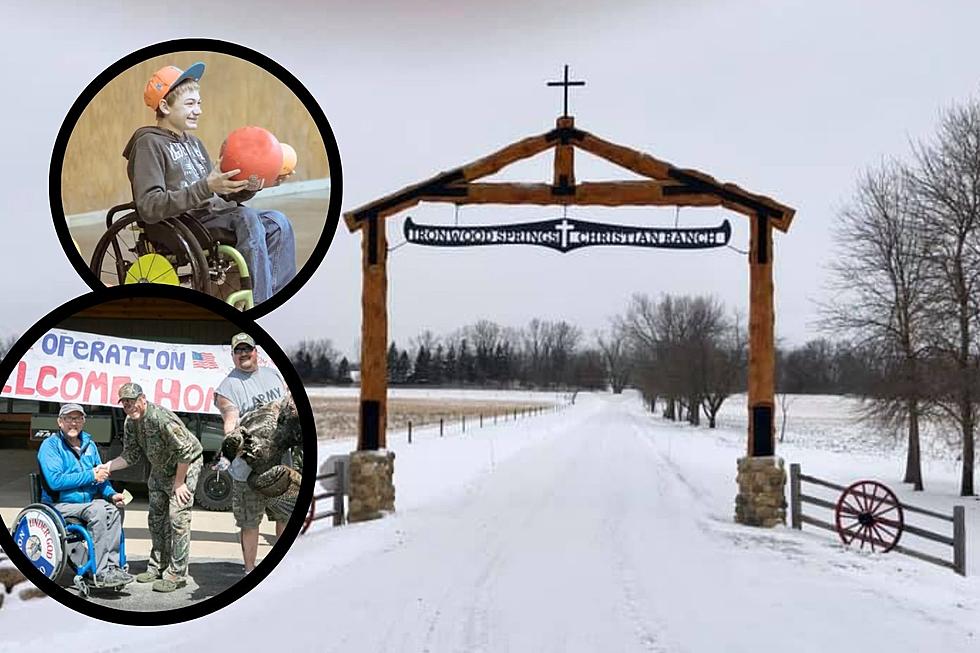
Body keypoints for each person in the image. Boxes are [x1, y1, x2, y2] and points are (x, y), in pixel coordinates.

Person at [122, 62, 296, 304]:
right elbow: (150, 207)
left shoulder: (195, 144)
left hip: (212, 217)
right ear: (165, 106)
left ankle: (274, 299)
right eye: (190, 104)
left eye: (199, 103)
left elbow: (222, 193)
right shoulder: (148, 144)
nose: (198, 110)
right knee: (246, 219)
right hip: (181, 225)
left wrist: (252, 186)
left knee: (279, 222)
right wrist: (206, 187)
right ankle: (260, 302)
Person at [99, 383, 203, 593]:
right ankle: (158, 565)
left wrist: (179, 482)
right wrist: (107, 467)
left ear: (143, 399)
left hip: (185, 466)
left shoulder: (160, 418)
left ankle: (177, 573)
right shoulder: (131, 423)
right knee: (156, 518)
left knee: (177, 518)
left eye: (133, 402)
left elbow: (185, 451)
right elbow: (131, 455)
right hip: (160, 469)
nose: (130, 407)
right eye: (125, 404)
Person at [214, 333, 295, 574]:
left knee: (285, 516)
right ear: (233, 356)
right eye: (238, 351)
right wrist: (233, 438)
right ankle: (250, 570)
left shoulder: (273, 376)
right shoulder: (227, 387)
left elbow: (288, 406)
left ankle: (283, 568)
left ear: (255, 351)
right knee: (250, 523)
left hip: (280, 465)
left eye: (247, 349)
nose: (243, 354)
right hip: (248, 468)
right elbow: (229, 417)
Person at [36, 403, 133, 588]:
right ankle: (100, 571)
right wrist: (90, 475)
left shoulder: (89, 445)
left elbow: (101, 478)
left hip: (85, 504)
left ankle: (113, 568)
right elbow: (55, 481)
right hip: (59, 504)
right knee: (97, 509)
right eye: (69, 419)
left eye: (78, 419)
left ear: (83, 421)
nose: (74, 423)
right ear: (60, 422)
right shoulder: (50, 446)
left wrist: (112, 495)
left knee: (114, 509)